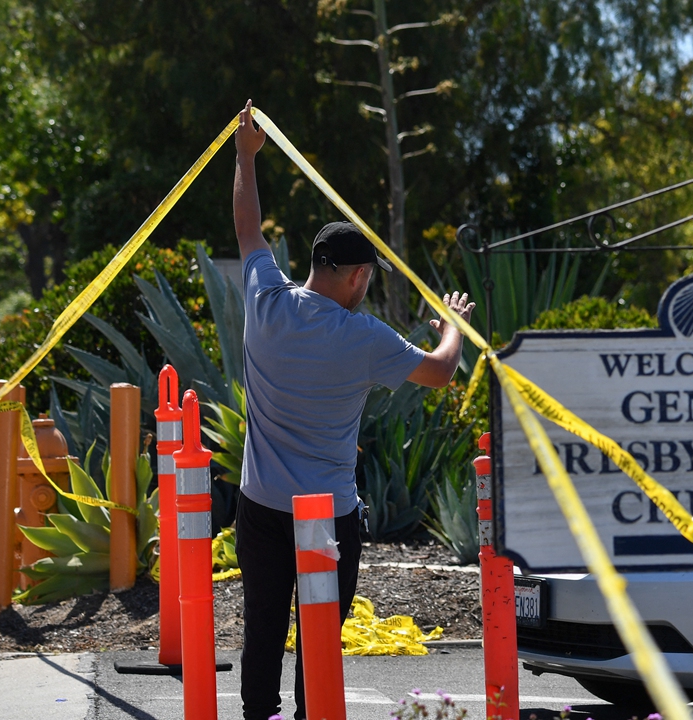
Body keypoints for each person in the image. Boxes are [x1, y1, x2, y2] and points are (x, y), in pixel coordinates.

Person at [231, 99, 475, 720]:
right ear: (355, 276)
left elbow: (247, 229)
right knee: (318, 633)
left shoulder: (267, 302)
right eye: (366, 275)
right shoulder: (364, 339)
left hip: (259, 504)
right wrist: (452, 325)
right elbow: (442, 372)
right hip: (326, 516)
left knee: (261, 622)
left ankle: (257, 712)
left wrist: (246, 158)